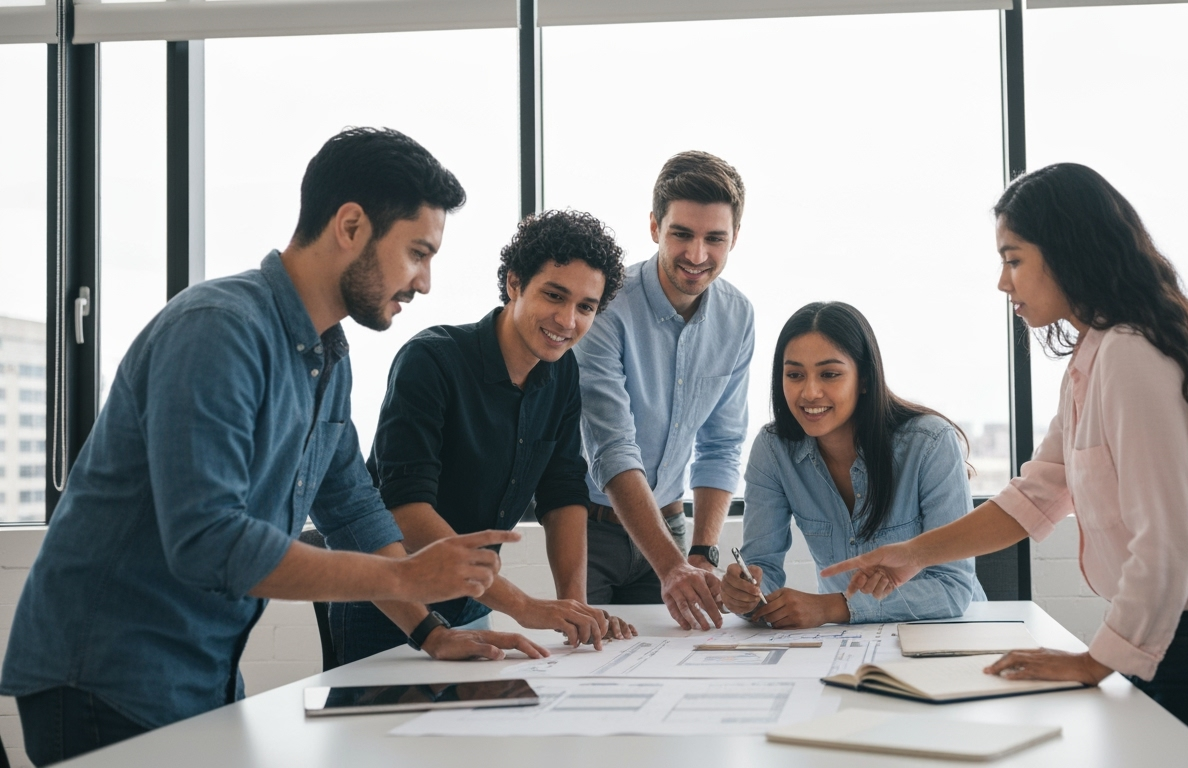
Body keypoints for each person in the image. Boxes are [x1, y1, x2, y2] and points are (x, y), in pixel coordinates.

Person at [0, 128, 546, 767]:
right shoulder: (218, 330)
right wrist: (406, 574)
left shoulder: (328, 360)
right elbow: (208, 540)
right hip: (106, 676)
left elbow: (356, 515)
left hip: (202, 676)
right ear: (350, 226)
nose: (424, 282)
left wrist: (430, 631)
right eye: (417, 252)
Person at [822, 163, 1188, 768]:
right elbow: (1034, 498)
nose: (1003, 282)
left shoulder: (1131, 355)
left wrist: (1093, 661)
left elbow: (1166, 543)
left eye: (1014, 258)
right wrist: (911, 555)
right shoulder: (1094, 359)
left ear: (1069, 251)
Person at [331, 210, 637, 664]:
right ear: (515, 283)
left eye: (586, 307)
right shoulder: (430, 362)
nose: (567, 320)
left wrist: (575, 606)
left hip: (471, 604)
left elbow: (562, 491)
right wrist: (525, 607)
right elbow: (407, 511)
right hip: (389, 613)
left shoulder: (562, 373)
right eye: (554, 295)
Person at [722, 302, 985, 629]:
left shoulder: (929, 443)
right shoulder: (773, 450)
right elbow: (763, 568)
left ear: (863, 379)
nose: (810, 392)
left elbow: (953, 587)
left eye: (829, 374)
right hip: (846, 643)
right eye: (794, 375)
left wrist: (833, 607)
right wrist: (745, 596)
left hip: (950, 634)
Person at [575, 151, 754, 631]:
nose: (697, 255)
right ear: (655, 227)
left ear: (734, 237)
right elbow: (612, 446)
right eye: (682, 234)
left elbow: (722, 444)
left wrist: (698, 553)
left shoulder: (738, 317)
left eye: (714, 238)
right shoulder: (606, 306)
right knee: (588, 669)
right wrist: (670, 565)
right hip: (590, 531)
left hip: (675, 528)